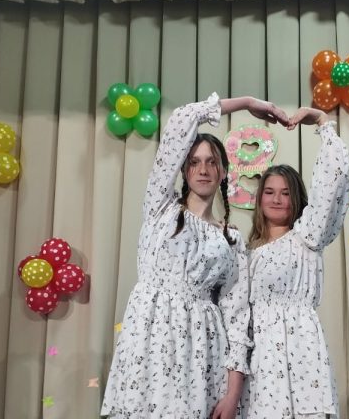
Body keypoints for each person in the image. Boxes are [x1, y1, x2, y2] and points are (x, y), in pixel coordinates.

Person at [101, 93, 288, 419]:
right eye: (194, 162)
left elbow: (237, 319)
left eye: (212, 162)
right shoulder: (160, 207)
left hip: (203, 351)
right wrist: (246, 103)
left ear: (224, 172)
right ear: (183, 169)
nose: (203, 169)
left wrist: (233, 394)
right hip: (150, 341)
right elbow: (182, 118)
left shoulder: (230, 240)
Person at [242, 107, 349, 419]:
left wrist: (322, 122)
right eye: (270, 192)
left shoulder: (306, 237)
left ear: (297, 199)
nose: (277, 199)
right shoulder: (245, 252)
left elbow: (333, 178)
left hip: (299, 352)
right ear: (260, 198)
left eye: (285, 193)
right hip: (256, 356)